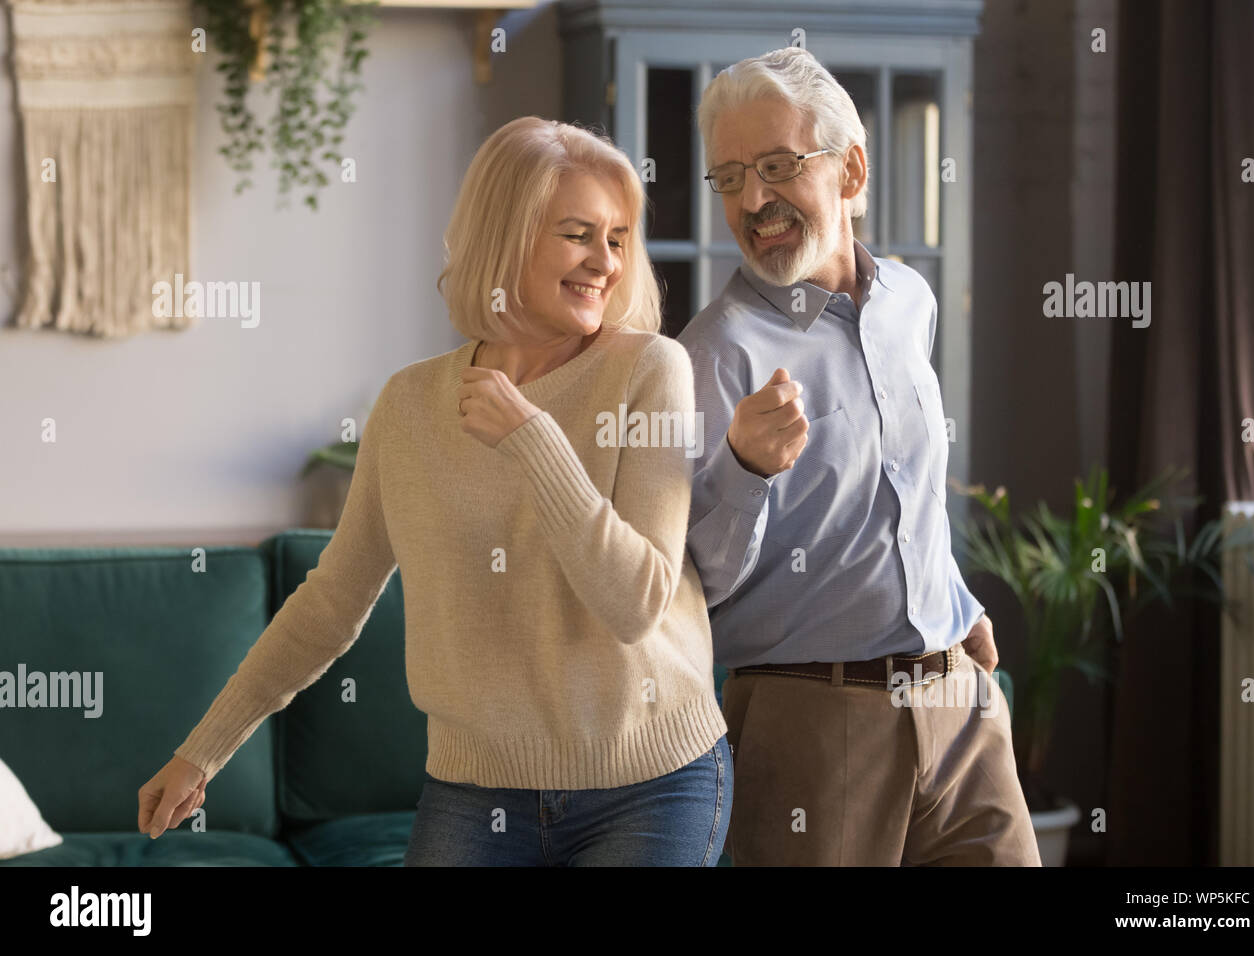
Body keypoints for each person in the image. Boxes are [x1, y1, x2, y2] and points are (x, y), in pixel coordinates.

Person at [137, 116, 731, 867]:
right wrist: (202, 753)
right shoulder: (410, 405)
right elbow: (329, 605)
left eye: (617, 239)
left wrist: (533, 440)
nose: (605, 263)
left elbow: (636, 602)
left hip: (650, 781)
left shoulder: (651, 370)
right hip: (477, 790)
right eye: (578, 234)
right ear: (507, 236)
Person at [678, 47, 1040, 865]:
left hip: (961, 703)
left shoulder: (910, 300)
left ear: (851, 169)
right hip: (813, 725)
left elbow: (906, 490)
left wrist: (956, 604)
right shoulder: (713, 355)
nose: (753, 200)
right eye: (730, 178)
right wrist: (745, 468)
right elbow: (685, 586)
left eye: (776, 166)